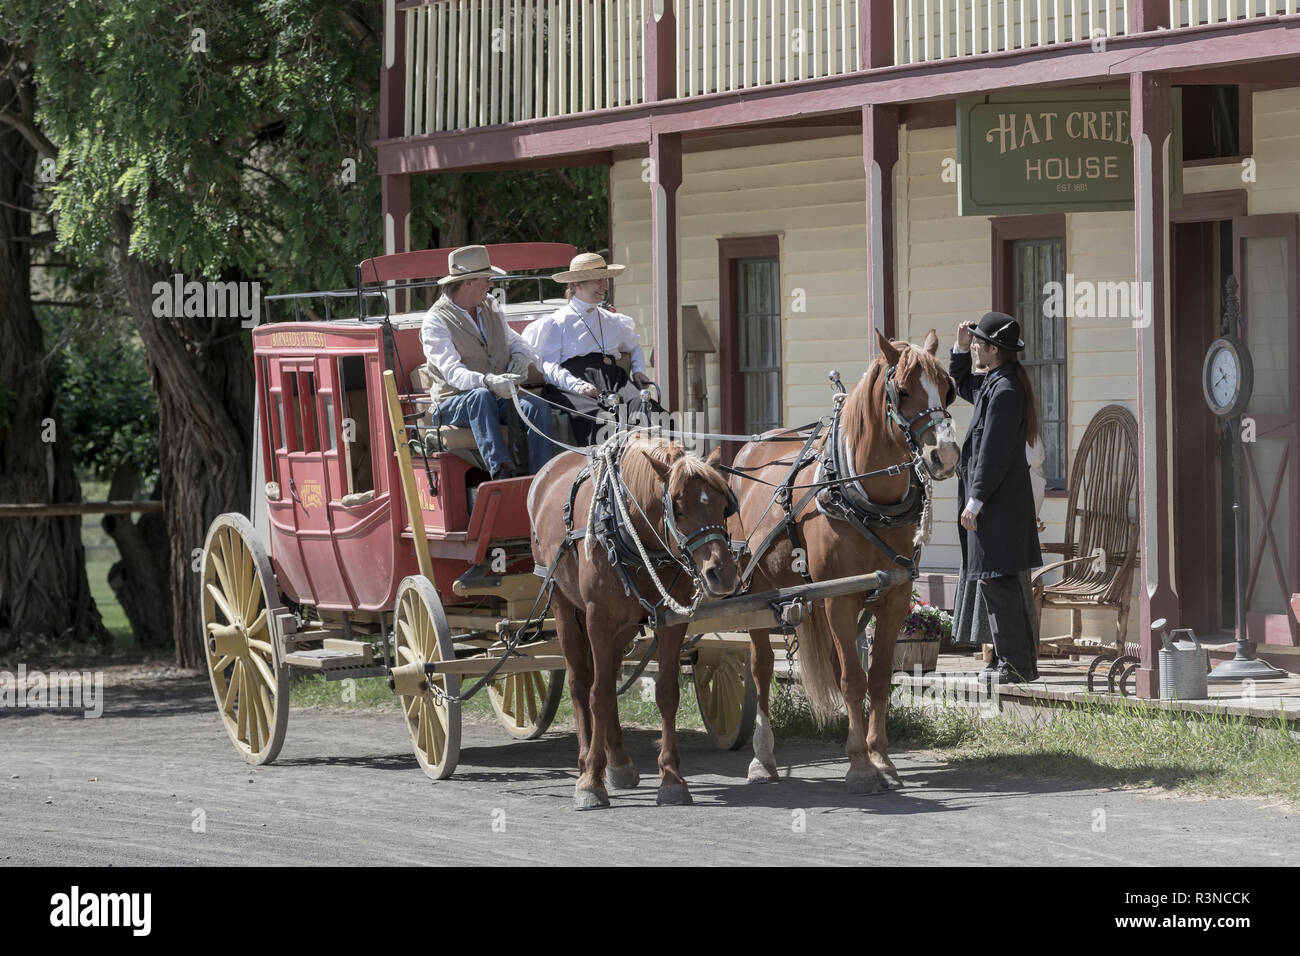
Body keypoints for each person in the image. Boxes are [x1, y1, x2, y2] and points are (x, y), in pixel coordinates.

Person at [948, 312, 1044, 684]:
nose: (974, 346)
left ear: (994, 349)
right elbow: (959, 384)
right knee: (997, 583)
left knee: (999, 584)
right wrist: (958, 348)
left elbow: (994, 452)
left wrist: (976, 500)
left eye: (978, 343)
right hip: (998, 504)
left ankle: (1015, 665)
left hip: (998, 506)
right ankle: (1015, 662)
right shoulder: (995, 383)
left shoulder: (1004, 391)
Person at [419, 245, 553, 480]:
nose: (491, 284)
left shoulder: (490, 304)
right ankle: (502, 473)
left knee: (537, 408)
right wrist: (488, 381)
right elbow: (453, 373)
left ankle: (544, 477)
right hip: (453, 403)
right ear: (468, 282)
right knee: (480, 396)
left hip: (496, 396)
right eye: (487, 279)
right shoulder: (435, 321)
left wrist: (520, 359)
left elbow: (515, 341)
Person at [522, 252, 663, 445]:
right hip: (573, 384)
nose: (604, 285)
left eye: (605, 280)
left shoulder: (613, 321)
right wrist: (577, 385)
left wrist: (638, 371)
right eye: (598, 281)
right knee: (603, 419)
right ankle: (610, 470)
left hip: (613, 379)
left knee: (647, 407)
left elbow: (634, 347)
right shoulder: (557, 323)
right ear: (578, 284)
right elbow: (548, 366)